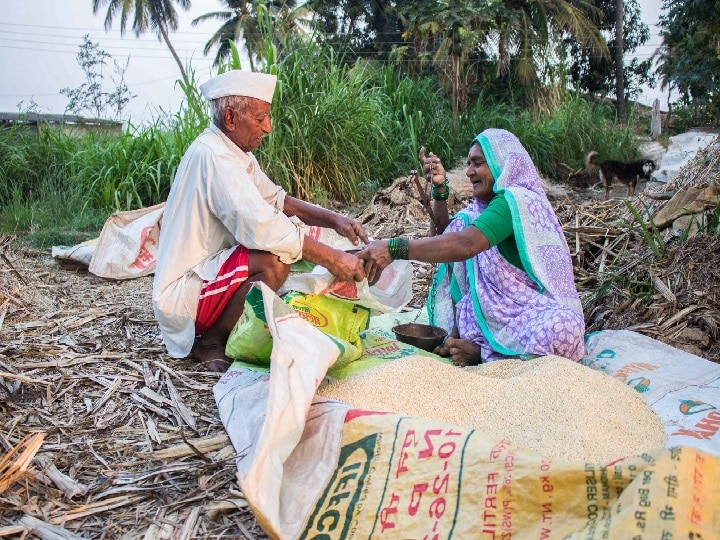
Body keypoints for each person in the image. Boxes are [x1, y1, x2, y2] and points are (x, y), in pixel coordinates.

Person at [152, 70, 368, 372]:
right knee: (275, 260)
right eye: (259, 118)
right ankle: (211, 341)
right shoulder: (214, 156)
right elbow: (262, 227)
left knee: (290, 251)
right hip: (184, 295)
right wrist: (333, 258)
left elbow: (277, 201)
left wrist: (336, 221)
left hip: (210, 271)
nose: (268, 127)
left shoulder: (234, 152)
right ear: (230, 117)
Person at [359, 128, 585, 366]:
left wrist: (394, 248)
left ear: (502, 163)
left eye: (477, 163)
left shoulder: (515, 201)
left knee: (563, 329)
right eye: (468, 163)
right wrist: (439, 189)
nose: (469, 172)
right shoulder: (481, 210)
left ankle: (484, 353)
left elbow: (465, 244)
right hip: (487, 318)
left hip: (526, 312)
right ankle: (489, 348)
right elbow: (446, 238)